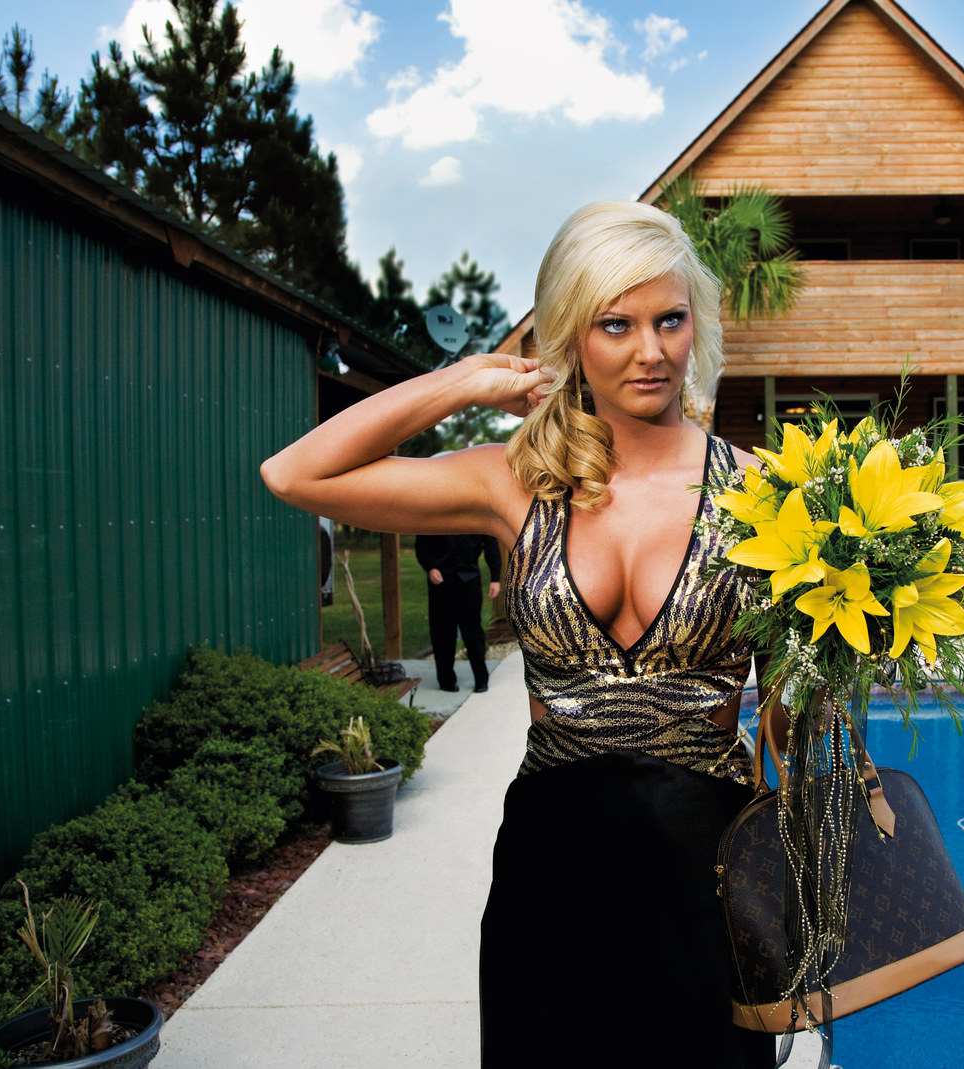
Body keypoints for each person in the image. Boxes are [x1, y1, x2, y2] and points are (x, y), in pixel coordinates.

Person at [260, 201, 773, 1068]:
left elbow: (800, 713)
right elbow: (296, 472)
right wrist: (463, 381)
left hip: (708, 877)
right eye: (616, 324)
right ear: (571, 335)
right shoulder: (516, 480)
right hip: (551, 877)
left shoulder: (764, 490)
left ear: (697, 325)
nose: (651, 351)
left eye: (670, 319)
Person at [417, 531, 504, 692]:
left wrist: (495, 578)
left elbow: (491, 544)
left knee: (473, 632)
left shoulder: (475, 513)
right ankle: (446, 681)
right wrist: (430, 568)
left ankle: (481, 679)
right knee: (442, 632)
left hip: (469, 581)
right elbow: (421, 544)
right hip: (441, 583)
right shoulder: (435, 514)